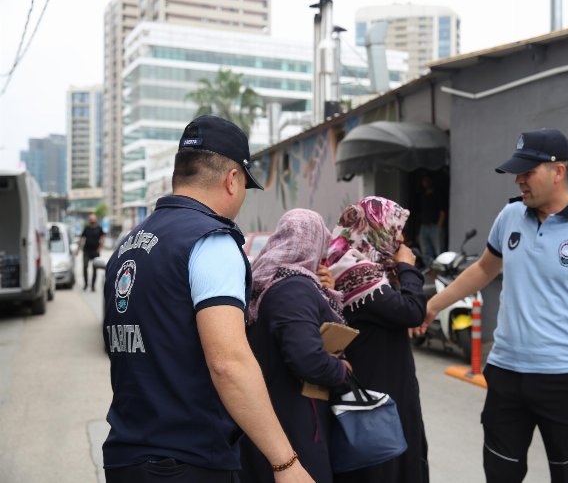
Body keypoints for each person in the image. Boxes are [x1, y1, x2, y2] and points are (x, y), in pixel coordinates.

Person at [420, 128, 568, 483]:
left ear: (558, 171)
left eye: (528, 172)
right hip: (506, 373)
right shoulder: (510, 216)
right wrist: (432, 304)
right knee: (500, 474)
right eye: (517, 172)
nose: (519, 181)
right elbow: (483, 269)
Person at [102, 114, 313, 483]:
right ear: (233, 179)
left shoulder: (129, 246)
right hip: (189, 462)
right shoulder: (211, 242)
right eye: (247, 185)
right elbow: (228, 362)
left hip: (126, 456)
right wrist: (285, 463)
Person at [239, 208, 351, 483]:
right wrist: (341, 370)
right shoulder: (294, 288)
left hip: (272, 412)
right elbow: (307, 358)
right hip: (293, 422)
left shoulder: (269, 280)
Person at [325, 196, 429, 483]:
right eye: (395, 228)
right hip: (375, 396)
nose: (401, 237)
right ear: (376, 228)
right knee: (385, 466)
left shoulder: (358, 269)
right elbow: (412, 312)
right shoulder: (358, 274)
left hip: (377, 386)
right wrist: (408, 268)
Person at [417, 174, 448, 266]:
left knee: (439, 249)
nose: (424, 183)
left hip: (435, 225)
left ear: (431, 181)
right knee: (425, 250)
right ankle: (430, 268)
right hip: (424, 225)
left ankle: (442, 268)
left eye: (426, 180)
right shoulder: (422, 195)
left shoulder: (437, 194)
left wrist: (439, 225)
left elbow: (443, 211)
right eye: (423, 181)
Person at [78, 213, 105, 291]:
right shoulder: (86, 228)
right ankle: (86, 284)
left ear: (95, 219)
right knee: (85, 266)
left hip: (95, 251)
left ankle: (93, 286)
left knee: (95, 268)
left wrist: (100, 248)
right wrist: (78, 249)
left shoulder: (99, 228)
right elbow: (81, 238)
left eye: (93, 218)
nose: (92, 220)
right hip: (86, 251)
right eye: (90, 219)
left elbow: (103, 238)